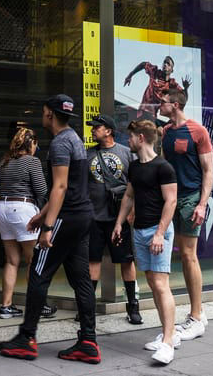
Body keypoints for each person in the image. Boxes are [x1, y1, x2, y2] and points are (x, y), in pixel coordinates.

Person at [0, 95, 100, 364]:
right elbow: (72, 188)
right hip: (82, 217)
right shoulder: (74, 138)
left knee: (39, 273)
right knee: (81, 280)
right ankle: (88, 341)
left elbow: (61, 187)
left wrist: (48, 226)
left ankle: (26, 338)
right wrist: (40, 216)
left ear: (51, 115)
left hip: (66, 219)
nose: (42, 116)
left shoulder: (58, 144)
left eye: (43, 112)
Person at [116, 120, 178, 365]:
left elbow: (171, 202)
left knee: (161, 284)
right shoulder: (134, 167)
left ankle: (169, 342)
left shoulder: (164, 168)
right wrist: (119, 223)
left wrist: (160, 233)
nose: (127, 140)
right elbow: (129, 196)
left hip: (157, 231)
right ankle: (166, 332)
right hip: (139, 231)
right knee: (153, 282)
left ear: (140, 138)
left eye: (130, 137)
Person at [157, 89, 213, 343]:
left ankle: (196, 316)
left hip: (191, 198)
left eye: (163, 102)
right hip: (171, 198)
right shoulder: (166, 132)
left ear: (176, 105)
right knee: (178, 255)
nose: (159, 104)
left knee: (189, 254)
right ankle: (194, 314)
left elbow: (208, 171)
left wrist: (202, 204)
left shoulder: (198, 131)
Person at [85, 114, 141, 324]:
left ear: (108, 130)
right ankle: (87, 308)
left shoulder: (127, 154)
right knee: (93, 260)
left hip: (120, 217)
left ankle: (132, 306)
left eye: (96, 127)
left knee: (126, 261)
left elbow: (136, 185)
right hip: (94, 217)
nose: (92, 130)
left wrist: (133, 209)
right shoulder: (87, 154)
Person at [0, 126, 47, 319]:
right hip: (23, 209)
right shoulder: (32, 162)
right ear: (31, 144)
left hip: (3, 210)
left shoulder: (5, 162)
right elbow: (41, 190)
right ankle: (36, 305)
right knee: (34, 260)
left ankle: (6, 306)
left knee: (12, 261)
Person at [122, 57, 189, 121]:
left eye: (168, 64)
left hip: (152, 116)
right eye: (164, 62)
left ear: (172, 70)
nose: (165, 64)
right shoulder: (155, 72)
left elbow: (183, 98)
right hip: (142, 112)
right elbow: (144, 64)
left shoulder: (171, 84)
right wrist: (130, 75)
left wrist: (186, 88)